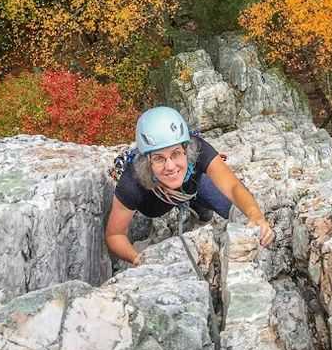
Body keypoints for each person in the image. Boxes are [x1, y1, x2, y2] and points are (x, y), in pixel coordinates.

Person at [105, 106, 274, 266]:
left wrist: (255, 215)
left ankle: (200, 211)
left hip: (193, 185)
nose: (170, 166)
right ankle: (195, 205)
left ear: (187, 148)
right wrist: (139, 260)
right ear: (147, 161)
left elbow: (232, 187)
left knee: (236, 210)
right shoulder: (132, 182)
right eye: (158, 158)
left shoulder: (198, 148)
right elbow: (115, 235)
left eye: (176, 153)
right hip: (154, 204)